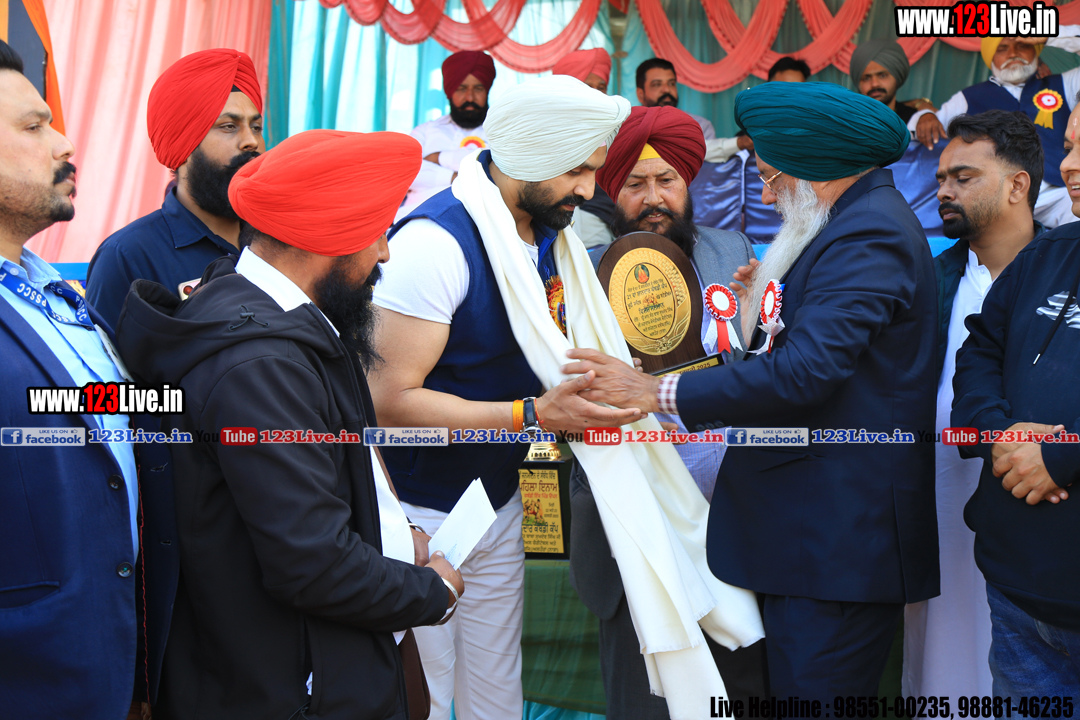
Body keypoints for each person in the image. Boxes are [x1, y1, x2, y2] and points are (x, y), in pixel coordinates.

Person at [371, 74, 763, 720]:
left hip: (495, 503)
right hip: (422, 514)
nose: (588, 190)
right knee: (427, 698)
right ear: (528, 154)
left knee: (496, 699)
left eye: (592, 170)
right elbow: (385, 403)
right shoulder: (435, 245)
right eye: (577, 171)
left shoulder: (551, 239)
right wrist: (530, 414)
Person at [563, 81, 940, 699]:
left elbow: (805, 373)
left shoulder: (868, 234)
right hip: (807, 542)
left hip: (834, 545)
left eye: (771, 177)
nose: (765, 195)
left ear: (815, 165)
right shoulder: (850, 226)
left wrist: (655, 393)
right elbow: (814, 356)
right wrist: (755, 315)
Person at [114, 129, 463, 719]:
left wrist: (394, 534)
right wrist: (433, 593)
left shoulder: (275, 323)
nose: (385, 254)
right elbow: (312, 563)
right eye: (377, 232)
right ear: (326, 237)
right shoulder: (262, 365)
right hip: (289, 687)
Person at [569, 104, 767, 714]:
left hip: (730, 515)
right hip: (635, 519)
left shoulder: (733, 250)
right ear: (612, 189)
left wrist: (759, 313)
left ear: (688, 183)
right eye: (635, 183)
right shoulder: (576, 267)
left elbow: (763, 365)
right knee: (645, 695)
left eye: (667, 181)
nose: (653, 198)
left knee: (739, 686)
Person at [0, 40, 141, 720]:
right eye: (34, 127)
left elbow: (99, 422)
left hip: (104, 661)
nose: (64, 143)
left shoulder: (56, 296)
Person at [903, 110, 1058, 697]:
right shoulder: (926, 279)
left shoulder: (1064, 274)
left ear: (1017, 185)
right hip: (940, 501)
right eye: (942, 178)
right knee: (943, 661)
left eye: (963, 177)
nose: (945, 190)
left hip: (1047, 507)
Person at [947, 101, 1080, 699]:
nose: (1068, 165)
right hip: (1019, 595)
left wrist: (1059, 456)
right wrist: (999, 435)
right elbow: (980, 351)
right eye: (1069, 147)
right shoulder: (1047, 254)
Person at [85, 49, 263, 329]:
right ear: (184, 143)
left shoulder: (280, 240)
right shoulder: (128, 256)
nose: (251, 141)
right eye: (229, 126)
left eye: (256, 127)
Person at [911, 32, 1080, 227]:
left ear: (1036, 50)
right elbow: (923, 127)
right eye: (1002, 49)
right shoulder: (968, 97)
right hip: (998, 198)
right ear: (990, 56)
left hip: (1058, 195)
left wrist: (1049, 36)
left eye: (1022, 45)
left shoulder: (1065, 84)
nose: (1013, 53)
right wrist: (924, 115)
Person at [398, 50, 496, 219]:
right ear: (449, 92)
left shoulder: (500, 132)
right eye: (461, 89)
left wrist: (439, 158)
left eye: (478, 88)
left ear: (487, 91)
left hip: (479, 222)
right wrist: (454, 177)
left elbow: (497, 171)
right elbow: (403, 172)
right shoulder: (425, 131)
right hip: (414, 217)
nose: (470, 97)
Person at [554, 47, 619, 248]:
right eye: (588, 87)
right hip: (568, 215)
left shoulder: (616, 127)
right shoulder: (550, 129)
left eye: (601, 87)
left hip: (612, 218)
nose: (596, 95)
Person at [703, 56, 808, 164]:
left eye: (798, 90)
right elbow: (704, 153)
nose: (791, 97)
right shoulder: (750, 134)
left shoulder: (812, 130)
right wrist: (741, 143)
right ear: (767, 90)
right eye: (783, 89)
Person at [850, 38, 935, 123]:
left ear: (897, 77)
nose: (874, 84)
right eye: (866, 78)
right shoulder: (848, 121)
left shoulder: (917, 121)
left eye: (882, 76)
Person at [636, 57, 716, 139]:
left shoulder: (699, 127)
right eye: (657, 84)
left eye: (671, 83)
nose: (667, 90)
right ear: (640, 95)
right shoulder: (630, 128)